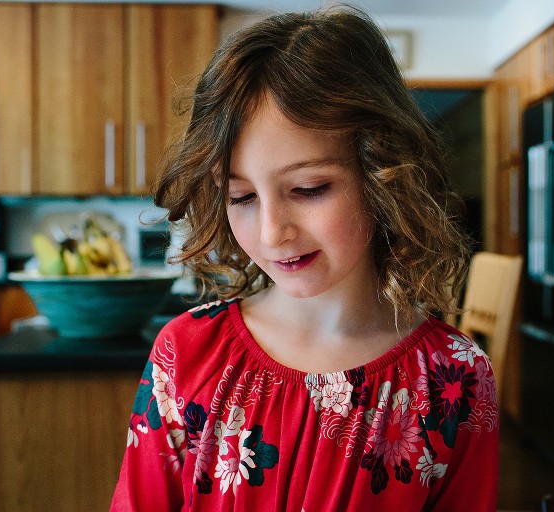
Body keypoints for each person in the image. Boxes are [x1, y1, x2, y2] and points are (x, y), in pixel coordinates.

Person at [111, 6, 498, 511]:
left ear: (382, 175)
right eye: (242, 198)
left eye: (308, 188)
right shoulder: (185, 354)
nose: (273, 231)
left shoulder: (456, 378)